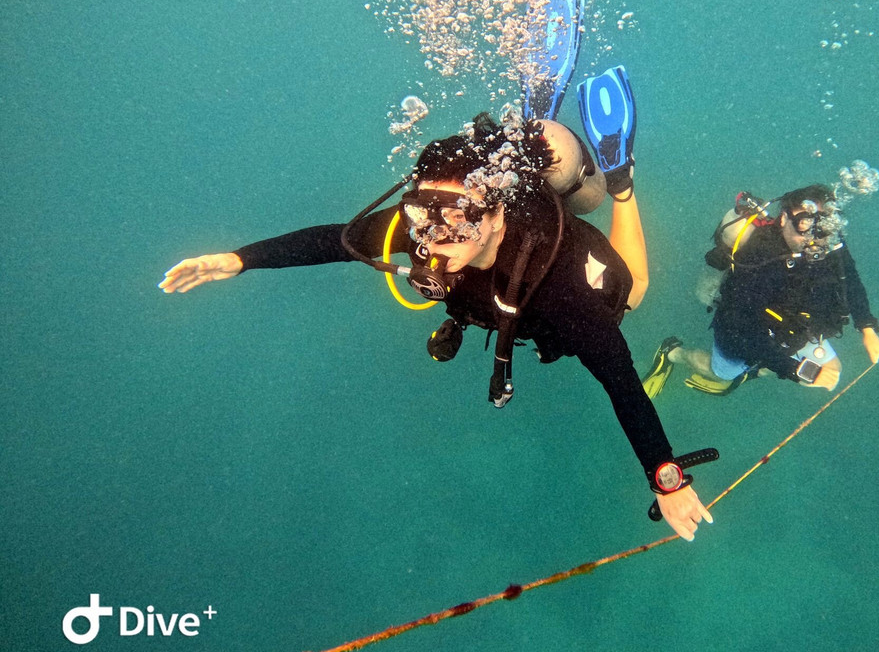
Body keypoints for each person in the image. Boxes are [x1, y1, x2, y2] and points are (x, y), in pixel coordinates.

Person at [160, 101, 713, 541]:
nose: (433, 237)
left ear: (496, 216)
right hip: (500, 286)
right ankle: (534, 141)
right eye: (424, 214)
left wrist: (666, 478)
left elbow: (621, 381)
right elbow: (335, 240)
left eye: (456, 220)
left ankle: (619, 182)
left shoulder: (563, 294)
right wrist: (239, 260)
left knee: (634, 288)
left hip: (592, 281)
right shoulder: (430, 226)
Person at [641, 184, 879, 398]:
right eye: (804, 224)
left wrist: (867, 327)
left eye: (821, 226)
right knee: (722, 374)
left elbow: (850, 279)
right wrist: (794, 370)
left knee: (833, 371)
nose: (812, 236)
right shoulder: (759, 260)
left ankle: (759, 369)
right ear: (783, 219)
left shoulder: (828, 242)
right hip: (741, 333)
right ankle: (673, 353)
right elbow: (745, 330)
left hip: (790, 327)